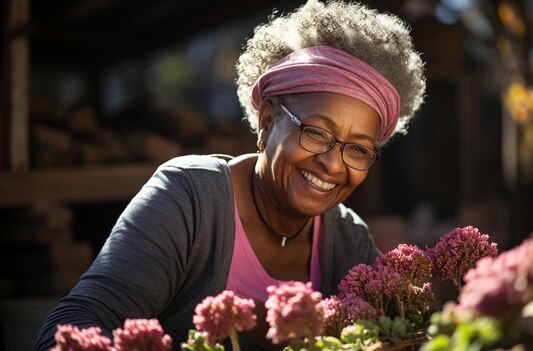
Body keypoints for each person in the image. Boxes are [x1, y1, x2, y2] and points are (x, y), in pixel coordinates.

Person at [34, 0, 425, 350]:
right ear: (267, 124)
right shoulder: (189, 199)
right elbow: (68, 329)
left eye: (357, 148)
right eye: (317, 132)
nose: (334, 164)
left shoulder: (348, 240)